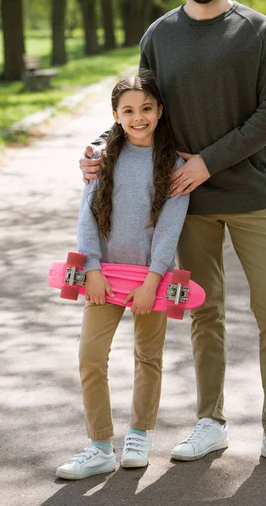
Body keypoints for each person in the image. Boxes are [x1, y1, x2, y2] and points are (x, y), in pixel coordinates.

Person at [80, 0, 266, 474]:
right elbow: (135, 109)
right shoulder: (160, 34)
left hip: (252, 193)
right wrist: (99, 148)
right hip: (184, 203)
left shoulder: (258, 30)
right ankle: (211, 422)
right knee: (203, 311)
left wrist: (207, 161)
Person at [56, 72, 189, 480]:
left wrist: (153, 280)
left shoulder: (176, 165)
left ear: (159, 111)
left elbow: (169, 229)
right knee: (90, 357)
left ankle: (139, 434)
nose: (138, 117)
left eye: (146, 108)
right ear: (115, 115)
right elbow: (87, 219)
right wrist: (91, 269)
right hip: (104, 278)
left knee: (148, 356)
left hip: (151, 280)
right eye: (128, 110)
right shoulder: (101, 159)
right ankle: (99, 445)